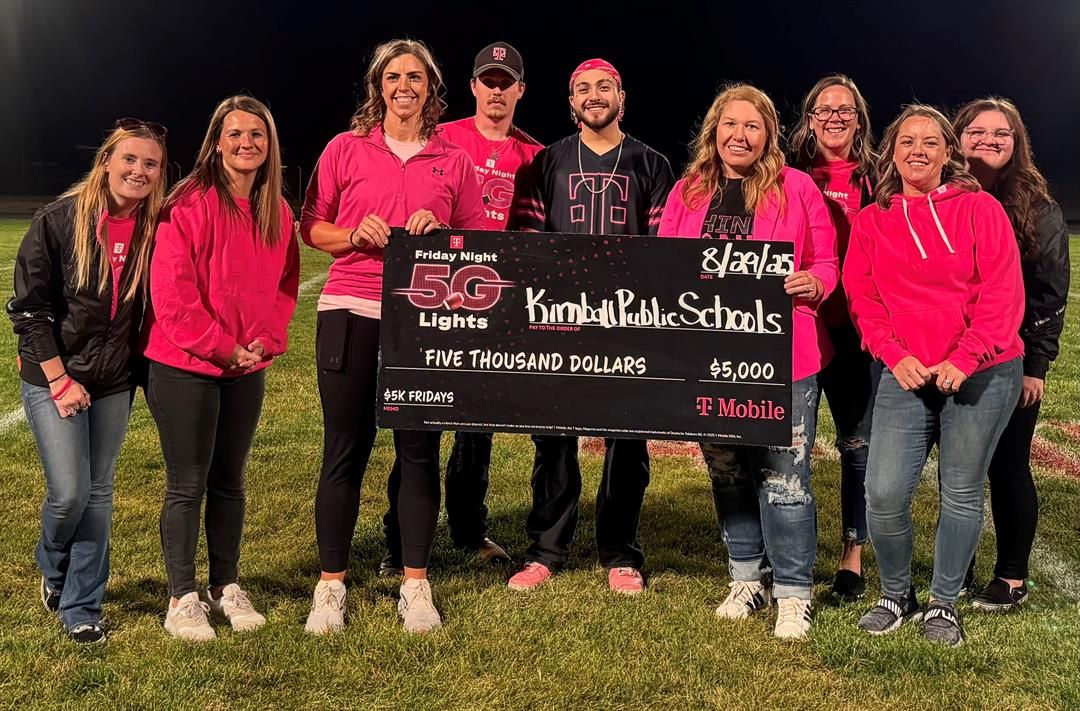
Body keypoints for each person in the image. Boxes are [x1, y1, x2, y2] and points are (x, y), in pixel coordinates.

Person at [300, 38, 486, 634]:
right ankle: (331, 587)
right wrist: (354, 234)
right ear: (377, 86)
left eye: (414, 77)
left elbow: (478, 242)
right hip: (351, 307)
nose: (403, 86)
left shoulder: (453, 160)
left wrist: (442, 235)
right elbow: (312, 228)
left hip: (423, 317)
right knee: (344, 451)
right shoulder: (345, 148)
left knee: (418, 452)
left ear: (432, 87)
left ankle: (416, 584)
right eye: (392, 76)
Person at [658, 84, 838, 639]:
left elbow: (828, 260)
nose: (740, 135)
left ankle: (793, 591)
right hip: (709, 355)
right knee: (728, 468)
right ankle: (745, 576)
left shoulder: (797, 186)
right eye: (730, 124)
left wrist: (815, 283)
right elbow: (664, 263)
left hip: (785, 355)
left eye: (752, 126)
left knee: (785, 474)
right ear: (714, 130)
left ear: (769, 135)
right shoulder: (688, 192)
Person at [844, 105, 1024, 646]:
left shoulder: (980, 209)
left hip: (982, 372)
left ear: (948, 153)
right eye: (906, 142)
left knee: (961, 491)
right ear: (891, 152)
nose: (917, 151)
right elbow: (864, 298)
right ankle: (896, 594)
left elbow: (1002, 291)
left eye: (929, 142)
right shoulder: (873, 220)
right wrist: (893, 354)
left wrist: (965, 357)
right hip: (905, 373)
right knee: (882, 492)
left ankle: (944, 604)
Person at [506, 58, 674, 595]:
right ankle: (546, 550)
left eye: (604, 86)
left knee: (628, 439)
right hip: (558, 320)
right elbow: (525, 244)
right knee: (553, 439)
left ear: (622, 97)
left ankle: (620, 553)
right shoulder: (544, 163)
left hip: (627, 321)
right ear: (570, 101)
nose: (594, 95)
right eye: (583, 88)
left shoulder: (651, 163)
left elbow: (662, 251)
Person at [379, 40, 542, 577]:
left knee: (478, 425)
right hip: (431, 293)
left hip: (493, 299)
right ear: (473, 87)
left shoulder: (534, 155)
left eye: (506, 82)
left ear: (520, 89)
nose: (496, 91)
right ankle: (397, 539)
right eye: (487, 81)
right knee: (419, 420)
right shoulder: (441, 137)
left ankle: (470, 530)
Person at [143, 96, 299, 641]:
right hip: (185, 364)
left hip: (245, 367)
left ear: (269, 145)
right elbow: (173, 293)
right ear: (215, 141)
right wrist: (222, 346)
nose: (246, 143)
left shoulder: (277, 210)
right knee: (188, 482)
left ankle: (225, 585)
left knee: (230, 481)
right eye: (234, 134)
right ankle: (181, 596)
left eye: (257, 134)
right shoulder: (186, 203)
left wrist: (265, 341)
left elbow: (283, 288)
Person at [8, 119, 167, 645]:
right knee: (70, 492)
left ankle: (81, 604)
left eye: (150, 163)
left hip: (113, 381)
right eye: (130, 159)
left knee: (98, 493)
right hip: (56, 376)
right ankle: (50, 563)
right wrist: (58, 379)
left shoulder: (155, 226)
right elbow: (29, 311)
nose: (139, 171)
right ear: (106, 162)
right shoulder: (58, 219)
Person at [953, 98, 1070, 612]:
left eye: (1001, 133)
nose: (988, 141)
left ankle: (1013, 576)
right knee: (957, 471)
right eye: (976, 132)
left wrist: (1035, 365)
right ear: (957, 138)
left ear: (1016, 142)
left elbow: (1049, 292)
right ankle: (956, 567)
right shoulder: (942, 195)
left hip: (1007, 358)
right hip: (949, 356)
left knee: (1007, 466)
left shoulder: (1038, 207)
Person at [789, 74, 878, 602]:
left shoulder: (878, 179)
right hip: (800, 327)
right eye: (825, 110)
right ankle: (788, 550)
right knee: (786, 444)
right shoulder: (786, 176)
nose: (835, 118)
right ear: (810, 119)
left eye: (846, 110)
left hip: (855, 332)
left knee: (856, 445)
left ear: (859, 119)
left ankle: (853, 552)